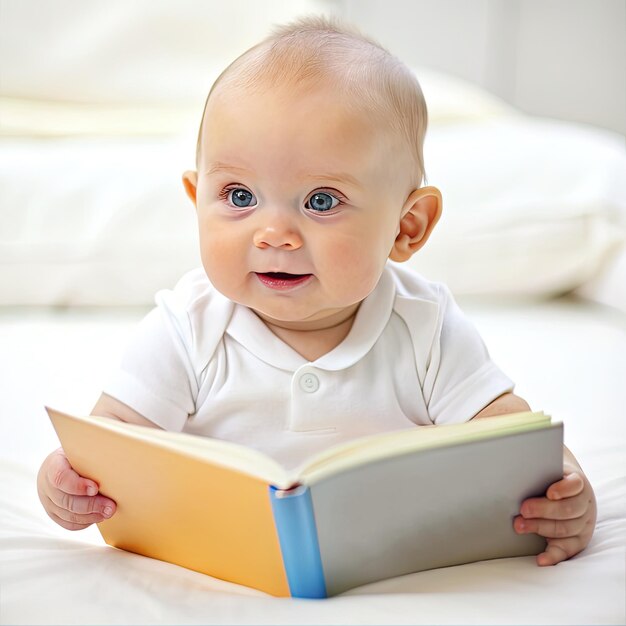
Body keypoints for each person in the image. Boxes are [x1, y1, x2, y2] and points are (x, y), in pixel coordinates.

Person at [37, 15, 596, 567]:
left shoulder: (424, 325)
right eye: (238, 195)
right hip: (223, 568)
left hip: (393, 560)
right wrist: (68, 479)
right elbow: (113, 437)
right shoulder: (189, 325)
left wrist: (560, 484)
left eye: (321, 201)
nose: (274, 234)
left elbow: (503, 431)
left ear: (407, 227)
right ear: (195, 197)